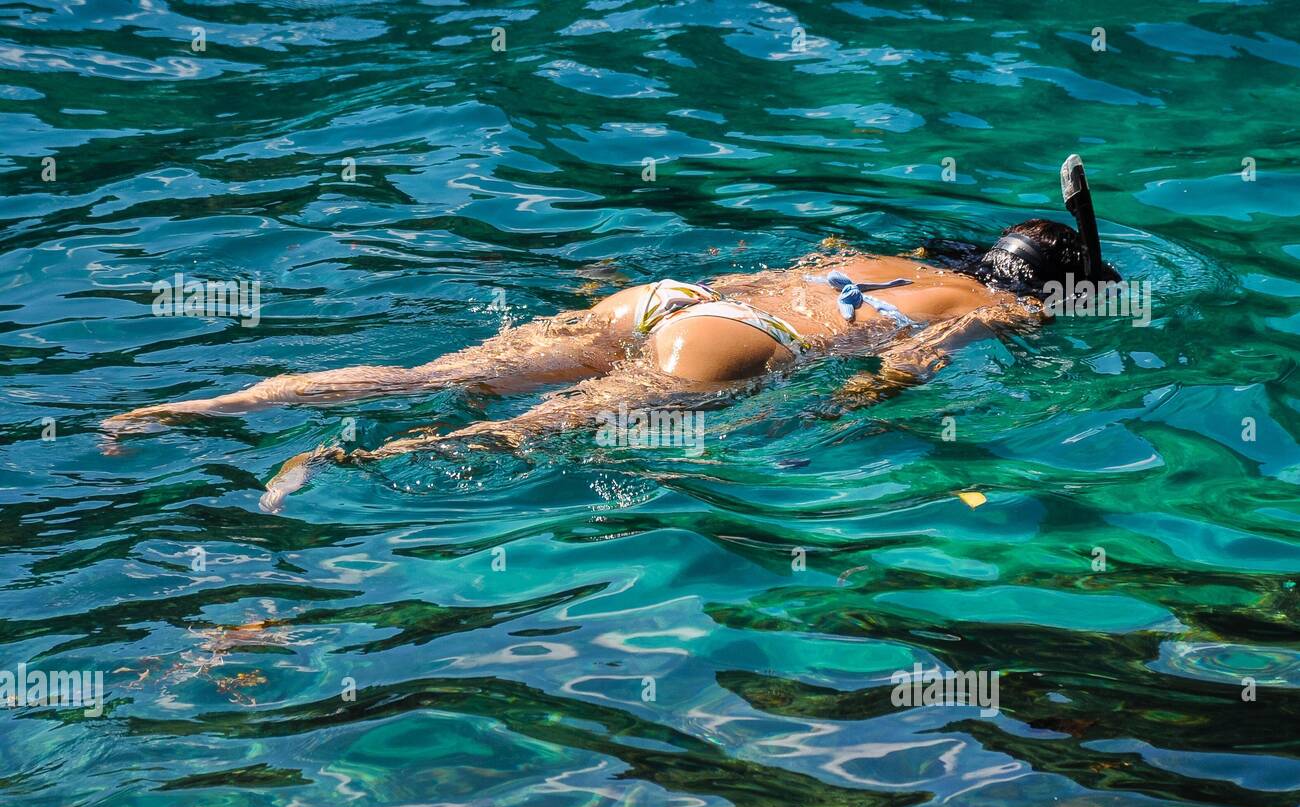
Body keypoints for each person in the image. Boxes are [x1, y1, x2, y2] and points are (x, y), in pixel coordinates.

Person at [103, 156, 1120, 511]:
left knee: (422, 373)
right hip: (731, 345)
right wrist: (852, 418)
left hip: (666, 299)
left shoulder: (890, 256)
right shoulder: (994, 307)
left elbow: (816, 266)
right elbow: (901, 366)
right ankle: (322, 464)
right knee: (516, 437)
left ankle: (199, 404)